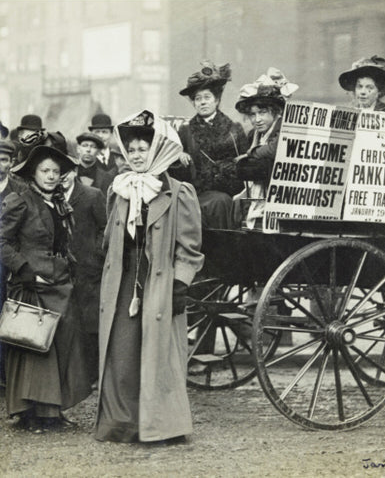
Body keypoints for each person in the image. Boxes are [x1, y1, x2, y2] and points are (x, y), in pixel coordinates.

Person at [95, 110, 204, 443]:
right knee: (122, 352)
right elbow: (108, 238)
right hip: (125, 281)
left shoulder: (177, 191)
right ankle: (123, 423)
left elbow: (191, 246)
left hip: (161, 283)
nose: (138, 155)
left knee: (160, 355)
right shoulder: (120, 189)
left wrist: (180, 284)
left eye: (144, 148)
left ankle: (163, 426)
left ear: (157, 149)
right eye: (133, 149)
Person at [0, 146, 91, 433]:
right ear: (33, 173)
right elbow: (1, 242)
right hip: (32, 284)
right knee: (35, 349)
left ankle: (53, 411)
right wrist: (25, 271)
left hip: (59, 282)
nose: (51, 176)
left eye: (55, 171)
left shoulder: (59, 203)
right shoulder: (20, 201)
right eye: (45, 171)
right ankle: (30, 414)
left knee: (59, 345)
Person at [175, 60, 248, 229]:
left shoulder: (234, 130)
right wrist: (179, 155)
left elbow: (243, 166)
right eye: (197, 99)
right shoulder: (185, 131)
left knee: (219, 203)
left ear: (216, 100)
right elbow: (176, 170)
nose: (202, 102)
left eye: (207, 97)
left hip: (227, 194)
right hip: (195, 193)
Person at [234, 68, 298, 228]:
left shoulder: (284, 127)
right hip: (260, 192)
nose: (257, 119)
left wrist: (251, 155)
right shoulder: (253, 135)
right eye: (252, 114)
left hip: (285, 195)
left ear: (275, 111)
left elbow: (274, 149)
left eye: (262, 113)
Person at [61, 161, 107, 388]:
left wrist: (96, 255)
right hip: (62, 269)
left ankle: (92, 374)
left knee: (90, 322)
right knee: (67, 319)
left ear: (75, 172)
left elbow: (104, 228)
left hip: (88, 269)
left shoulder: (92, 195)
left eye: (66, 172)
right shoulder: (50, 196)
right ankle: (70, 374)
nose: (61, 177)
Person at [0, 141, 26, 386]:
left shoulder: (19, 191)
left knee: (9, 315)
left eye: (4, 160)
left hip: (7, 264)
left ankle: (6, 374)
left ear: (11, 163)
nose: (0, 165)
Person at [75, 132, 114, 196]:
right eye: (85, 145)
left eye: (93, 147)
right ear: (78, 149)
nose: (88, 150)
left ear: (98, 152)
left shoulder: (107, 178)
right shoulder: (69, 174)